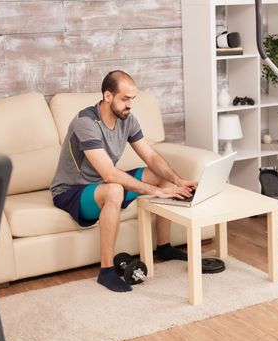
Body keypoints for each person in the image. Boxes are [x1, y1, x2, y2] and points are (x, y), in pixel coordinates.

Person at [50, 70, 196, 292]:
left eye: (132, 99)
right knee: (115, 189)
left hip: (103, 184)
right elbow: (109, 174)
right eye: (125, 99)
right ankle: (106, 271)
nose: (130, 105)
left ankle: (164, 246)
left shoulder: (127, 119)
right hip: (72, 192)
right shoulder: (86, 122)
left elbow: (151, 156)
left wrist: (178, 181)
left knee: (159, 175)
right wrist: (156, 192)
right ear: (108, 96)